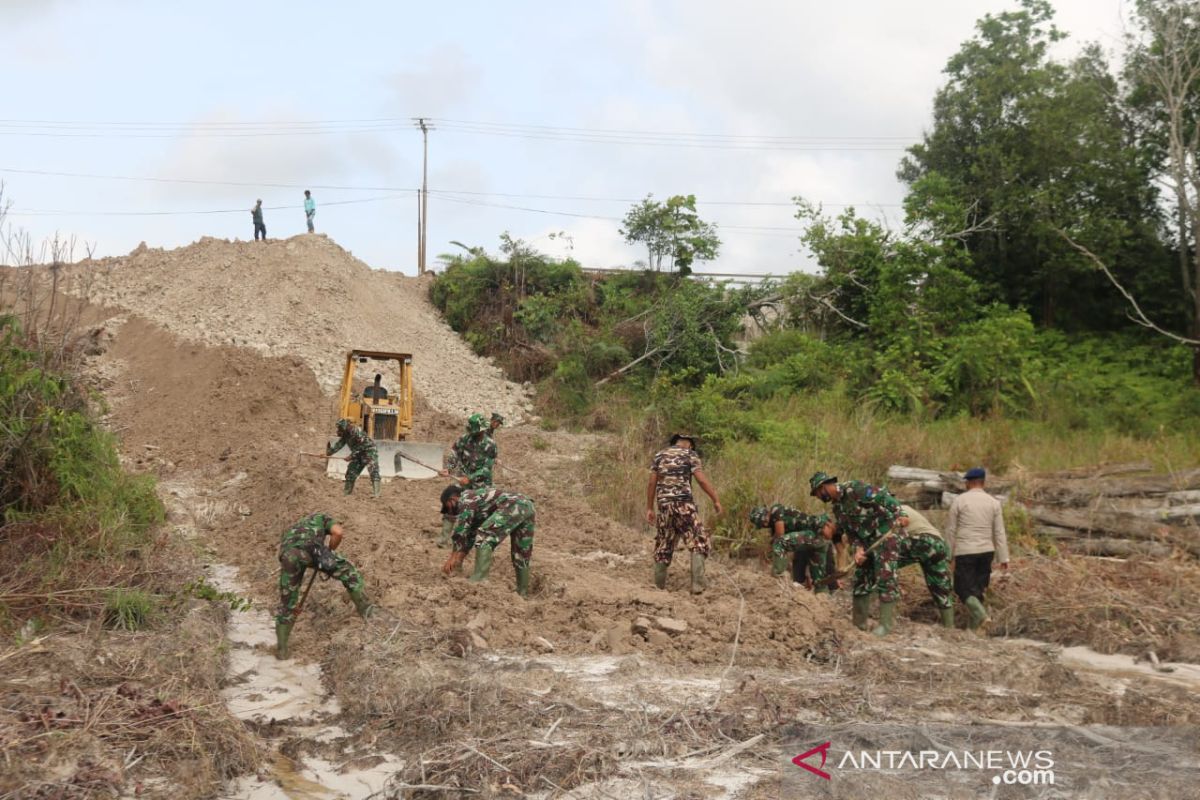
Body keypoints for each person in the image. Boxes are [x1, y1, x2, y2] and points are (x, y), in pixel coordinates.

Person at [810, 471, 903, 636]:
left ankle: (885, 626)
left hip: (886, 535)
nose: (818, 497)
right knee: (860, 580)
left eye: (817, 493)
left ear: (823, 487)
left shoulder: (855, 488)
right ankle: (859, 626)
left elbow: (884, 497)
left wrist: (901, 515)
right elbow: (851, 532)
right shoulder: (838, 508)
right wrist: (858, 549)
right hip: (867, 542)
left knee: (886, 576)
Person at [274, 512, 374, 659]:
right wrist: (329, 550)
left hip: (287, 555)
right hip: (310, 550)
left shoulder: (295, 528)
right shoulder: (323, 518)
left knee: (287, 602)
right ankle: (366, 611)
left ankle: (282, 651)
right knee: (349, 572)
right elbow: (338, 533)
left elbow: (289, 548)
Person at [646, 433, 722, 594]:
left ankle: (658, 587)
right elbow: (701, 480)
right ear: (690, 445)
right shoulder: (690, 454)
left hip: (664, 507)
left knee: (663, 546)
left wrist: (650, 508)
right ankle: (698, 586)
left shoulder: (659, 455)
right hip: (684, 506)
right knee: (699, 541)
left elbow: (652, 482)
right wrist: (715, 499)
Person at [439, 485, 535, 597]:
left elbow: (461, 530)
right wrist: (458, 560)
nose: (450, 511)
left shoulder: (465, 498)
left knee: (485, 536)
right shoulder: (477, 503)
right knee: (521, 550)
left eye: (448, 506)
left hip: (513, 505)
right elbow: (470, 535)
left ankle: (479, 581)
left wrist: (452, 556)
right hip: (527, 505)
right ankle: (522, 593)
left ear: (453, 498)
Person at [946, 467, 1009, 632]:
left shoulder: (959, 501)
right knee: (977, 590)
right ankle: (972, 632)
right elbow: (999, 532)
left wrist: (948, 554)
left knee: (962, 588)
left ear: (968, 483)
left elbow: (951, 530)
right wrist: (1004, 558)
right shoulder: (994, 502)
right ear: (983, 482)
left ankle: (982, 617)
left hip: (966, 550)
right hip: (987, 551)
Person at [896, 505, 955, 628]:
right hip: (939, 544)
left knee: (883, 565)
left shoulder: (891, 510)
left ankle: (885, 614)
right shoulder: (904, 507)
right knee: (939, 586)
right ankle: (949, 627)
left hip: (923, 541)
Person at [748, 505, 831, 592]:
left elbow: (780, 536)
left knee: (779, 543)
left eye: (763, 523)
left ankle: (777, 578)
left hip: (815, 534)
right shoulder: (775, 525)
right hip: (816, 540)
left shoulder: (776, 511)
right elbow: (790, 550)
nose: (765, 525)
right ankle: (822, 599)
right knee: (819, 580)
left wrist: (771, 547)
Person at [327, 418, 381, 497]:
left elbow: (362, 445)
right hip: (358, 455)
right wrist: (329, 452)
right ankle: (346, 493)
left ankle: (377, 495)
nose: (339, 430)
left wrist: (351, 456)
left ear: (345, 427)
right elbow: (339, 444)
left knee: (374, 471)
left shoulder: (356, 431)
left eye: (340, 428)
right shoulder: (345, 435)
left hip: (369, 452)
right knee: (351, 472)